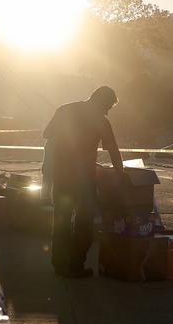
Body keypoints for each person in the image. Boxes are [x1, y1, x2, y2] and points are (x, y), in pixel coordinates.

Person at [42, 86, 126, 278]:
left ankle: (60, 265)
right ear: (102, 102)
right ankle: (75, 267)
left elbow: (48, 137)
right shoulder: (101, 121)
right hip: (84, 180)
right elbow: (112, 149)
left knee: (61, 221)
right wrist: (120, 174)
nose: (107, 111)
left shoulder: (65, 110)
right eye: (108, 107)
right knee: (84, 223)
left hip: (61, 176)